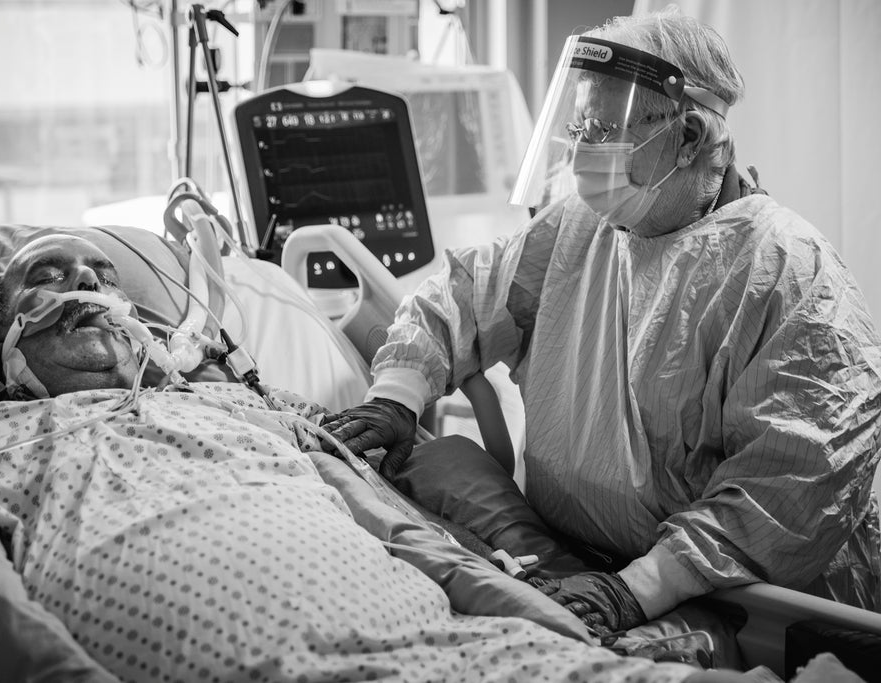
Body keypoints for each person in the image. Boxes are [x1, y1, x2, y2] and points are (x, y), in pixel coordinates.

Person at [0, 234, 752, 683]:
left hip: (450, 653)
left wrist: (555, 612)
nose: (84, 289)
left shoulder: (252, 407)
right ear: (3, 334)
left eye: (99, 276)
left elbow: (407, 529)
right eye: (44, 278)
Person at [323, 7, 881, 636]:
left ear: (691, 137)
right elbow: (463, 297)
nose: (583, 147)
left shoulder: (786, 271)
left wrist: (638, 588)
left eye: (606, 127)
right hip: (577, 553)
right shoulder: (580, 228)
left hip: (739, 603)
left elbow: (792, 482)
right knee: (438, 462)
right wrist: (397, 396)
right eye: (580, 123)